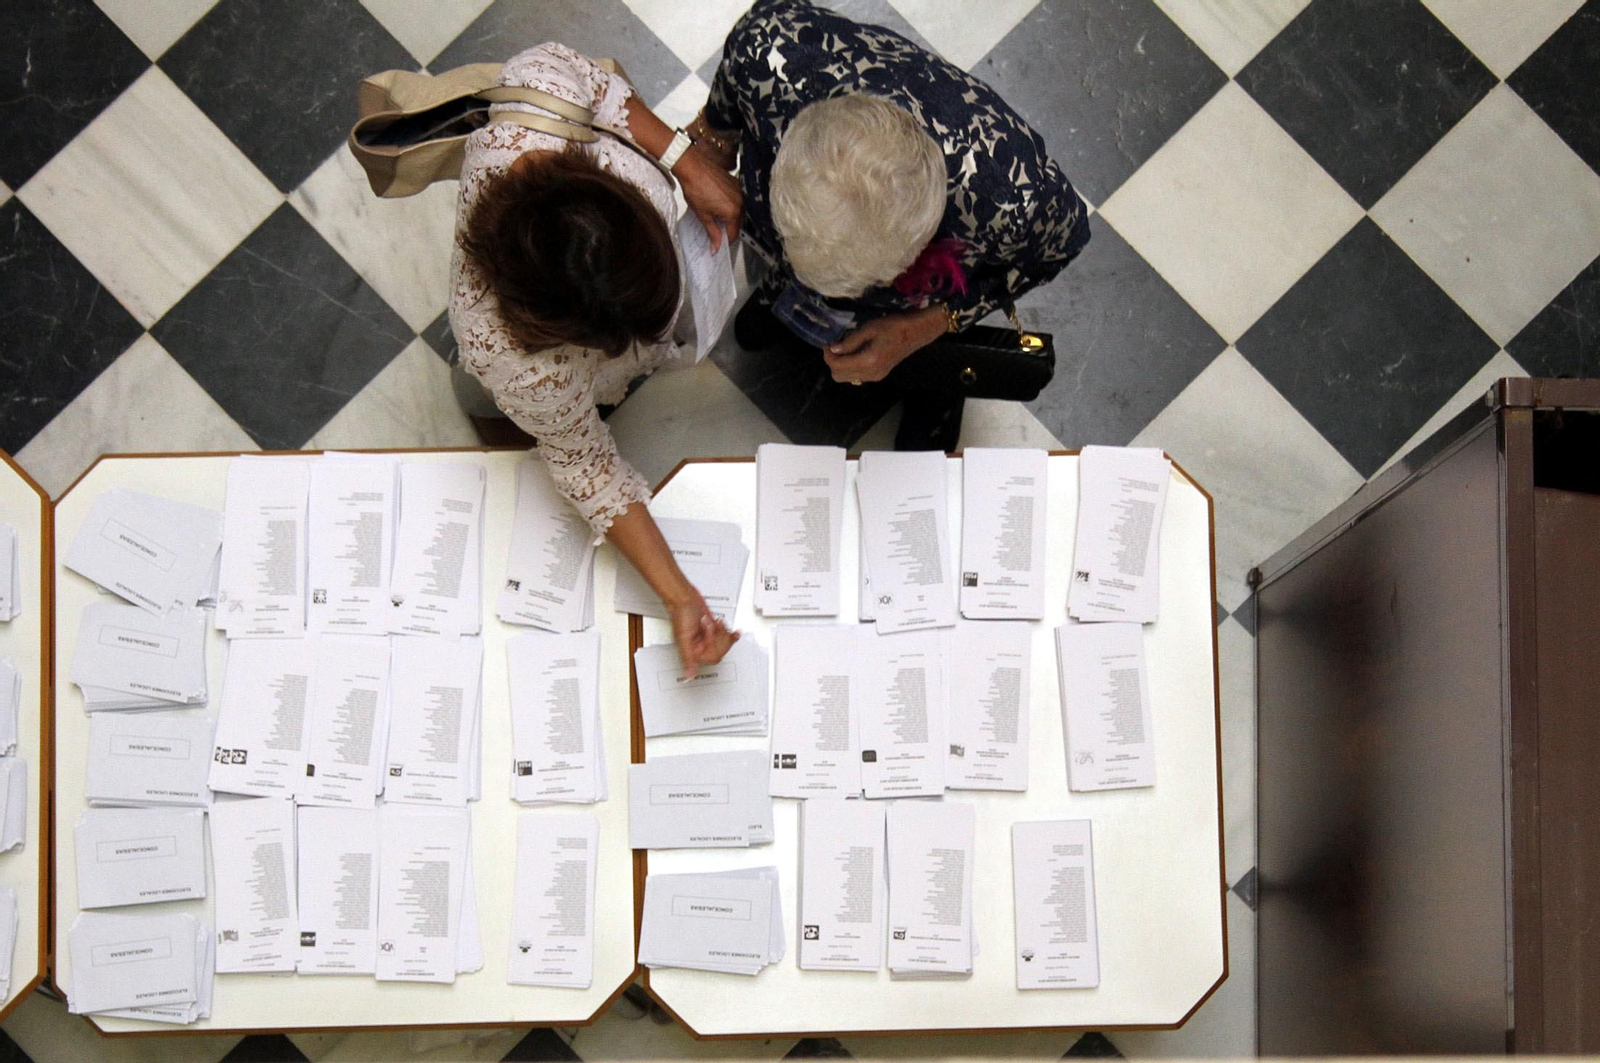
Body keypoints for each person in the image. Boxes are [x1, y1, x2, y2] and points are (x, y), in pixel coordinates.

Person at [448, 42, 742, 676]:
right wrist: (679, 596)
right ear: (584, 340)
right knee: (501, 410)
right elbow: (587, 466)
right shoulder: (523, 367)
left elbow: (596, 84)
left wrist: (683, 160)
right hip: (537, 385)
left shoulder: (538, 100)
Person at [687, 0, 1091, 451]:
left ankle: (936, 391)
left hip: (926, 292)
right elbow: (724, 106)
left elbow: (1061, 248)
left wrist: (928, 325)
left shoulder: (1011, 197)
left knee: (929, 367)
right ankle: (785, 289)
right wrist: (713, 144)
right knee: (775, 304)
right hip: (791, 238)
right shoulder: (769, 51)